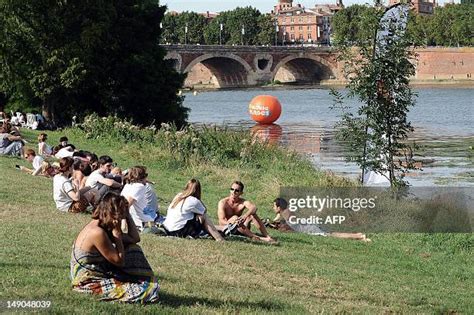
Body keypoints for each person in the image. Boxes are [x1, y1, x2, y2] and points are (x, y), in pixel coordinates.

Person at [70, 193, 159, 303]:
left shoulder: (103, 224)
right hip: (87, 281)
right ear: (112, 213)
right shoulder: (97, 232)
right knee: (147, 291)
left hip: (102, 271)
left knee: (133, 249)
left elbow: (135, 238)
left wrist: (128, 215)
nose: (121, 218)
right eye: (120, 214)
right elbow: (119, 262)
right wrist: (117, 236)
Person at [270, 198, 371, 242]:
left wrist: (276, 224)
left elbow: (285, 226)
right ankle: (359, 236)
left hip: (310, 229)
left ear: (279, 207)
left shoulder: (286, 214)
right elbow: (278, 220)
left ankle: (359, 236)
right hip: (310, 224)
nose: (272, 208)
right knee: (332, 232)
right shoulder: (285, 212)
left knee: (333, 235)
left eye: (274, 206)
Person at [121, 166, 160, 234]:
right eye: (146, 175)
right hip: (144, 224)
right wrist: (123, 221)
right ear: (142, 177)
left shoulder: (127, 185)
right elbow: (127, 203)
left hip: (139, 221)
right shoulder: (139, 187)